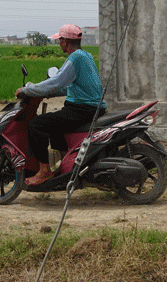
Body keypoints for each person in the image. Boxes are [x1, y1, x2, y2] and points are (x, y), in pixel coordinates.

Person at [14, 24, 106, 186]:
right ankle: (66, 165)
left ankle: (44, 171)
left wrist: (27, 89)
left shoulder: (75, 58)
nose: (59, 43)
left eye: (60, 40)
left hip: (82, 109)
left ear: (64, 41)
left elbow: (56, 82)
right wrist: (47, 92)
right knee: (55, 127)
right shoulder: (86, 56)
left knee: (37, 124)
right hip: (91, 108)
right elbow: (68, 86)